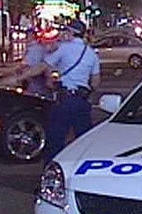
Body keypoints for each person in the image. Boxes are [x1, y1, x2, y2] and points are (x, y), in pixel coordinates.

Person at [19, 19, 101, 161]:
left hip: (64, 100)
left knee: (55, 142)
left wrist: (21, 76)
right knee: (83, 142)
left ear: (72, 33)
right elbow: (95, 82)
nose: (63, 34)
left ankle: (53, 174)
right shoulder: (91, 54)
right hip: (82, 102)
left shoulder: (64, 48)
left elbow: (43, 66)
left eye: (66, 31)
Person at [17, 26, 59, 98]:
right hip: (42, 83)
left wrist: (22, 76)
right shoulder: (39, 48)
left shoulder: (36, 48)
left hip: (37, 83)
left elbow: (39, 67)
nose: (48, 44)